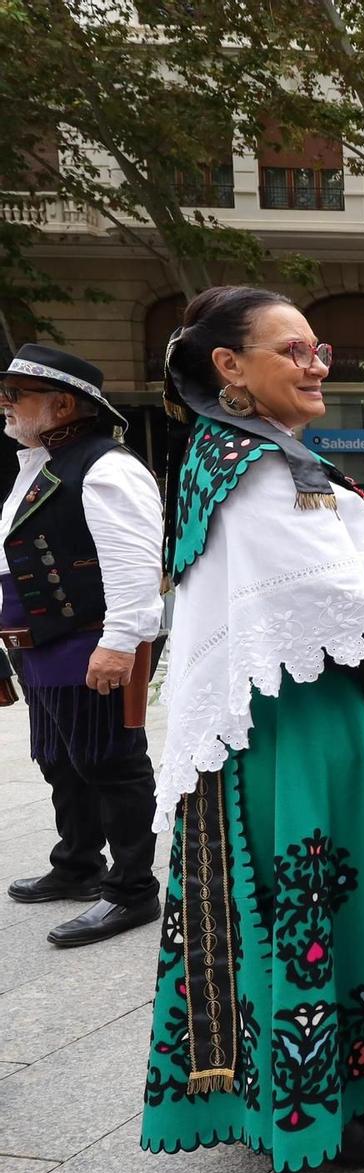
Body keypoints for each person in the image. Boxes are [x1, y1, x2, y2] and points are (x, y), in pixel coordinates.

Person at [143, 286, 364, 1172]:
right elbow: (329, 596)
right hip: (296, 718)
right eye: (290, 350)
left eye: (317, 350)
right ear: (228, 367)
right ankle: (322, 1107)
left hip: (281, 704)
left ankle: (299, 1091)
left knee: (293, 893)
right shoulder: (259, 467)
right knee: (318, 893)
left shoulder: (237, 454)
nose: (313, 364)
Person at [1, 345, 165, 947]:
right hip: (42, 645)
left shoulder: (107, 467)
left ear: (62, 404)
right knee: (58, 759)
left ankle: (132, 891)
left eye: (16, 394)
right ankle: (78, 866)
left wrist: (119, 642)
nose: (6, 404)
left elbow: (134, 566)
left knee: (111, 764)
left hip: (88, 643)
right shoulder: (41, 466)